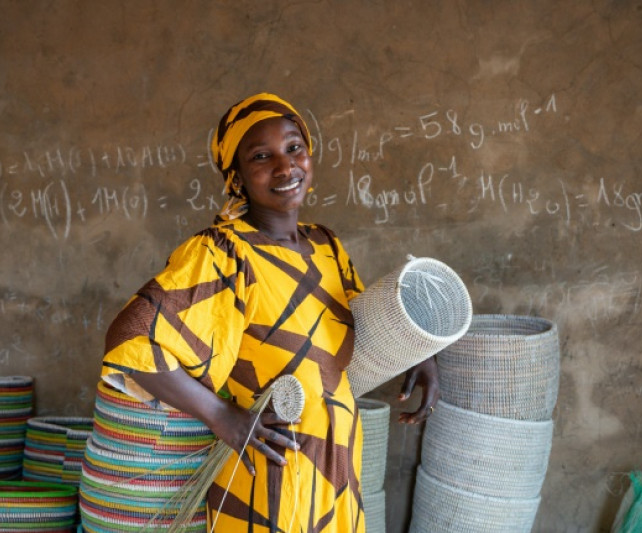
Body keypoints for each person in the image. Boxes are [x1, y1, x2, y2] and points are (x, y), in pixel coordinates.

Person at [100, 93, 440, 532]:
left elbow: (369, 326)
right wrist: (223, 417)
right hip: (271, 477)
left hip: (336, 474)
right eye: (261, 156)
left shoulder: (326, 246)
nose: (285, 166)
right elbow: (131, 340)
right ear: (237, 176)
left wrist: (419, 354)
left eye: (294, 147)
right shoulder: (224, 253)